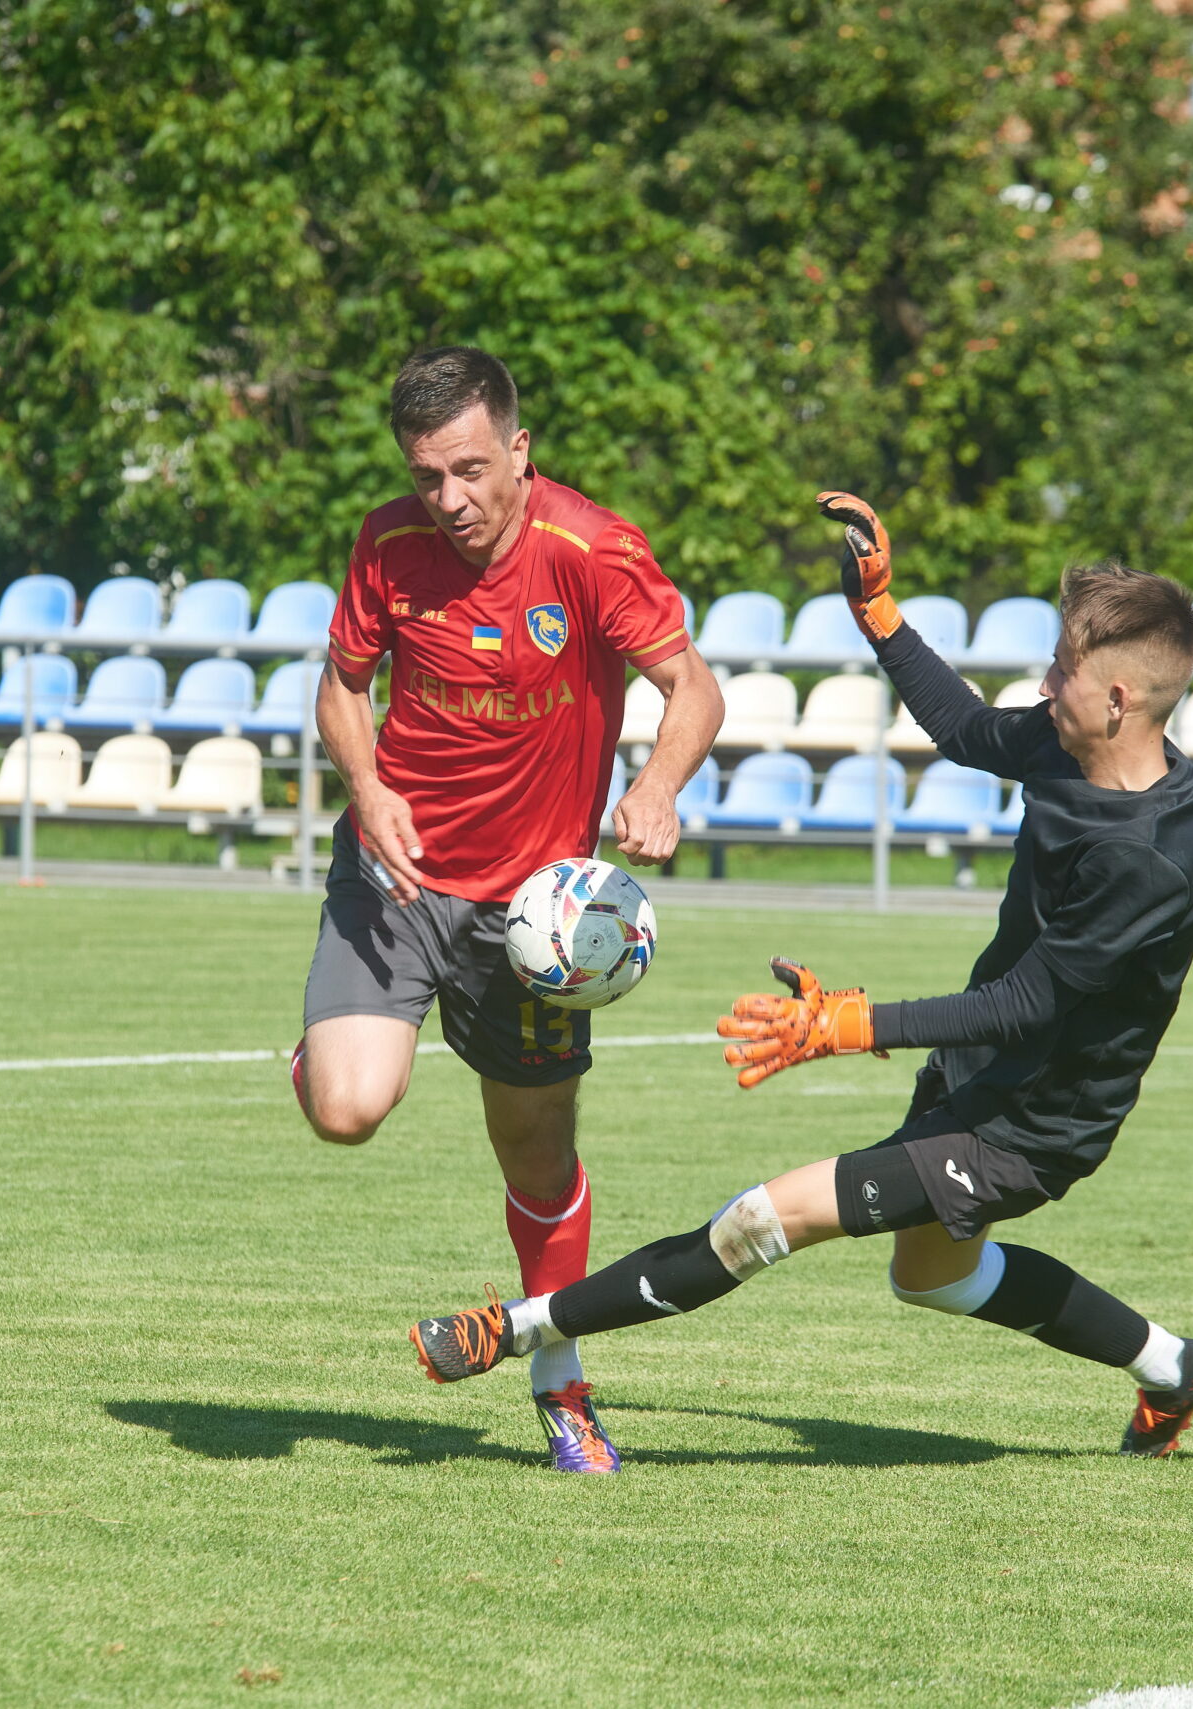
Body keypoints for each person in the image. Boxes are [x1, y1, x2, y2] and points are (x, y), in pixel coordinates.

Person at [409, 492, 1193, 1459]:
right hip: (983, 1079)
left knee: (767, 1218)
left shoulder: (1152, 856)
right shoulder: (1075, 748)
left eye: (1065, 669)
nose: (1048, 681)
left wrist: (852, 1024)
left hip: (1038, 1122)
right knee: (934, 1278)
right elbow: (968, 731)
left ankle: (515, 1330)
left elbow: (1028, 1004)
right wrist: (880, 615)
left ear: (1119, 699)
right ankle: (1178, 1366)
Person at [296, 347, 724, 1474]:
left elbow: (695, 685)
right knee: (344, 1109)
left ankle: (561, 1385)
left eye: (471, 470)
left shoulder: (592, 550)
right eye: (427, 474)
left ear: (519, 451)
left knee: (536, 1165)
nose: (450, 501)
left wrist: (656, 785)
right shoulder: (387, 543)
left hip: (530, 919)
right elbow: (342, 685)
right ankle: (327, 1036)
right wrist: (366, 786)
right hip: (392, 877)